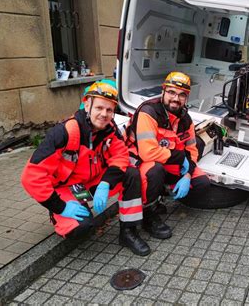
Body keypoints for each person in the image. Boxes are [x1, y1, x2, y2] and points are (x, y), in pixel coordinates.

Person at [21, 81, 150, 256]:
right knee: (81, 228)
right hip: (66, 188)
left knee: (131, 174)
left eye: (109, 110)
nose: (104, 114)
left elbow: (120, 156)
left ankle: (128, 232)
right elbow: (31, 177)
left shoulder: (109, 129)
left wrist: (106, 183)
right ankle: (57, 213)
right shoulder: (63, 132)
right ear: (87, 104)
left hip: (92, 183)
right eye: (99, 108)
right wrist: (60, 207)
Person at [126, 72, 211, 239]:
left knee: (202, 183)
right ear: (163, 91)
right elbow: (147, 152)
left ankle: (162, 194)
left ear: (186, 98)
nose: (176, 99)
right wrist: (180, 157)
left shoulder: (185, 119)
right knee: (155, 171)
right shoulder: (148, 112)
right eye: (171, 92)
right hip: (141, 161)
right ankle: (148, 215)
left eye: (181, 95)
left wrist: (187, 174)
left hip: (166, 159)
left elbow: (192, 151)